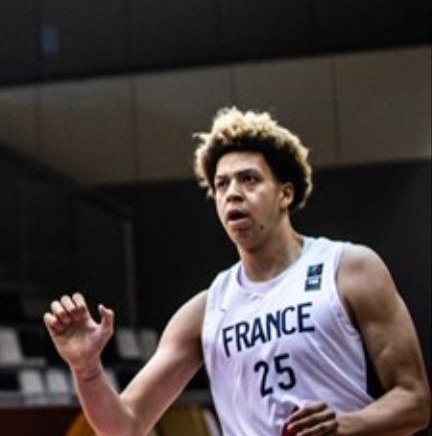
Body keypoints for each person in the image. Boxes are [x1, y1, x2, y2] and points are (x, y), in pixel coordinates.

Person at [43, 107, 430, 436]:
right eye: (222, 184)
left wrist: (346, 425)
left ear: (286, 194)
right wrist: (86, 367)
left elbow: (414, 401)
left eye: (249, 179)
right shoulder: (205, 311)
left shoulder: (347, 269)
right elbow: (123, 427)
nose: (232, 193)